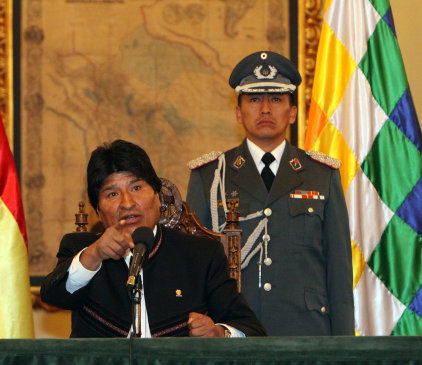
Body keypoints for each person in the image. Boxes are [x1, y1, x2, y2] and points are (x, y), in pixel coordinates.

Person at [186, 51, 354, 336]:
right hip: (233, 334)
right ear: (238, 112)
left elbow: (338, 274)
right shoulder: (210, 175)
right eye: (254, 99)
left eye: (276, 99)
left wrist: (344, 349)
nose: (265, 109)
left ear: (292, 112)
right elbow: (193, 269)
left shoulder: (322, 175)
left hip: (307, 334)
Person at [41, 139, 266, 338]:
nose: (127, 202)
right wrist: (95, 254)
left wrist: (219, 333)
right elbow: (53, 296)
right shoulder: (82, 250)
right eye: (112, 193)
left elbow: (251, 330)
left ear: (158, 198)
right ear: (98, 211)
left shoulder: (201, 255)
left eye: (137, 187)